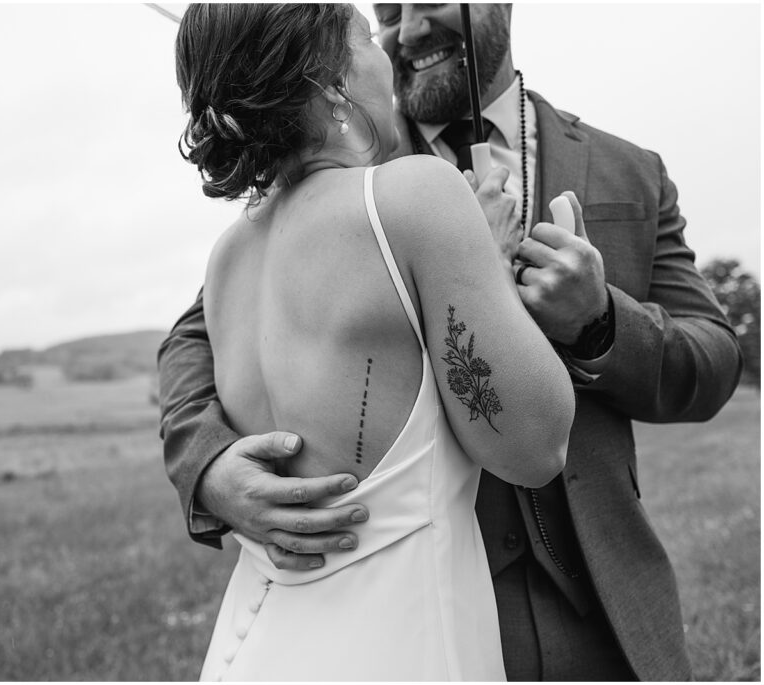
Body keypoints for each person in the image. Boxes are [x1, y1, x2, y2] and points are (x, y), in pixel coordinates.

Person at [159, 3, 743, 681]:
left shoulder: (629, 170)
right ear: (334, 77)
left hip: (595, 609)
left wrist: (597, 320)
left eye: (427, 2)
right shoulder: (390, 185)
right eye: (383, 16)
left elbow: (714, 356)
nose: (404, 31)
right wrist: (207, 466)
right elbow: (191, 341)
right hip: (435, 618)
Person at [169, 4, 575, 681]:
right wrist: (488, 259)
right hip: (402, 642)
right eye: (365, 34)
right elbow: (536, 445)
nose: (386, 50)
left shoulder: (227, 258)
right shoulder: (418, 197)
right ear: (331, 81)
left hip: (256, 644)